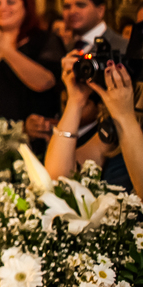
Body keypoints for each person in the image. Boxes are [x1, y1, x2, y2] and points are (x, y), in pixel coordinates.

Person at [45, 51, 143, 193]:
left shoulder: (126, 118)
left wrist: (124, 116)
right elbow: (58, 178)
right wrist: (76, 101)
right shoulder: (120, 125)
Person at [62, 0, 127, 52]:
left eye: (81, 5)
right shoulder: (63, 47)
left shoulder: (122, 47)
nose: (72, 12)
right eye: (67, 7)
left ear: (100, 11)